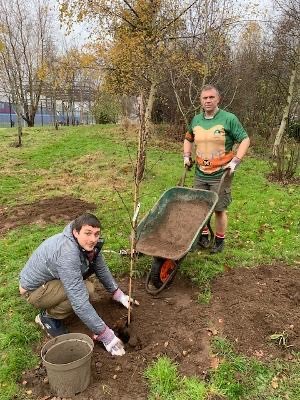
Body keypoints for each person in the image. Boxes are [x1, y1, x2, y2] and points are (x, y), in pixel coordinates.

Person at [19, 213, 138, 356]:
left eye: (96, 234)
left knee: (87, 289)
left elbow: (100, 267)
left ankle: (55, 305)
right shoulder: (68, 253)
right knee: (84, 292)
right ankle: (47, 317)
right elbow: (79, 302)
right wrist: (106, 336)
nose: (93, 239)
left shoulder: (83, 244)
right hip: (34, 291)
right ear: (76, 232)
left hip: (52, 280)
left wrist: (118, 294)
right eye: (88, 233)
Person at [183, 84, 250, 253]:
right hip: (200, 173)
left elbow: (245, 139)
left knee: (219, 209)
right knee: (200, 206)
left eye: (211, 97)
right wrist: (186, 156)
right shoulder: (196, 120)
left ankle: (219, 240)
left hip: (221, 173)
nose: (208, 101)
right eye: (205, 98)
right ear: (201, 100)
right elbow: (188, 138)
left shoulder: (229, 119)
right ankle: (204, 235)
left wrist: (235, 161)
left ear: (218, 99)